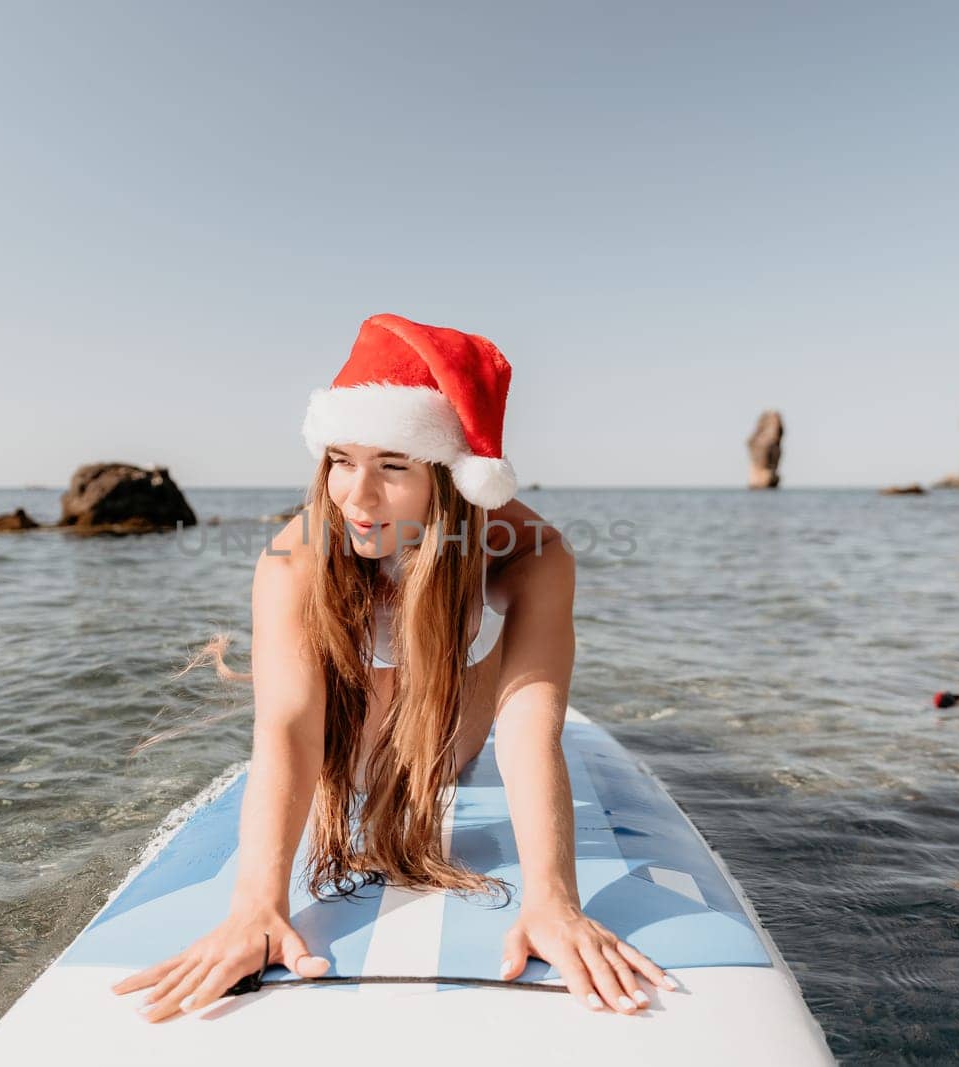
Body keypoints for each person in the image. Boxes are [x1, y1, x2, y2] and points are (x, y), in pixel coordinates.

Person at [111, 313, 675, 1023]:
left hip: (455, 714)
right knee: (348, 765)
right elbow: (288, 724)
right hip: (346, 708)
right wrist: (256, 904)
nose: (356, 495)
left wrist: (553, 900)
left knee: (437, 755)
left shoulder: (532, 556)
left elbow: (530, 727)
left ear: (447, 479)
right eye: (341, 459)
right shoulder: (295, 555)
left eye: (392, 466)